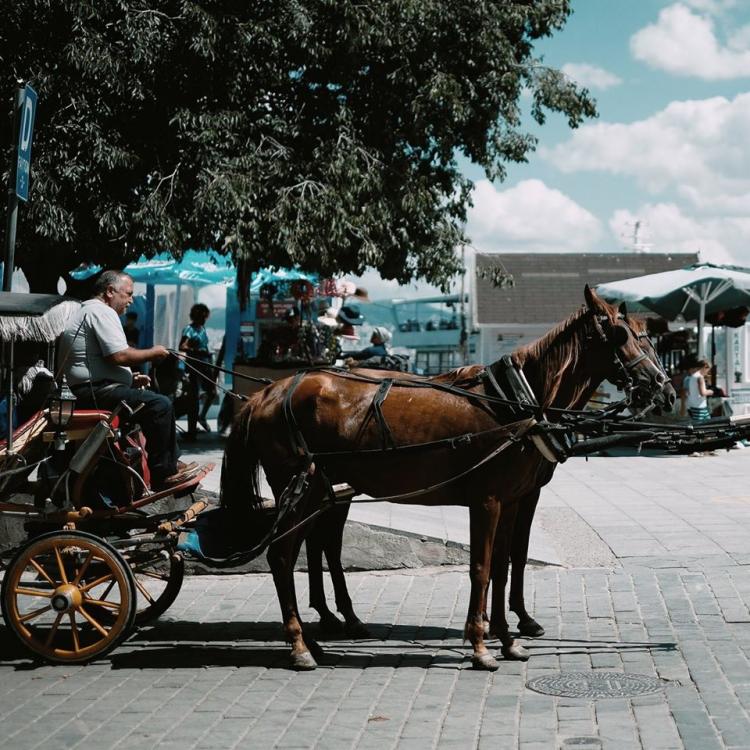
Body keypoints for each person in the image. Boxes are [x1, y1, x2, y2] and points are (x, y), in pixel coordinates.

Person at [58, 270, 183, 490]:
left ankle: (153, 467)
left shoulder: (87, 311)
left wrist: (128, 379)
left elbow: (101, 361)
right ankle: (164, 474)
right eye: (128, 294)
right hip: (94, 392)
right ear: (110, 291)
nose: (131, 300)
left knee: (152, 404)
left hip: (92, 389)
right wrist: (154, 352)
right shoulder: (101, 312)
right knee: (160, 406)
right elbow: (119, 355)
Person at [179, 303, 217, 439]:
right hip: (194, 367)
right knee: (193, 400)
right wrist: (197, 351)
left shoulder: (203, 328)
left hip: (206, 365)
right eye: (203, 317)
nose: (204, 319)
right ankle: (191, 431)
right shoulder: (189, 329)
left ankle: (202, 416)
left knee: (212, 393)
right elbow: (182, 346)